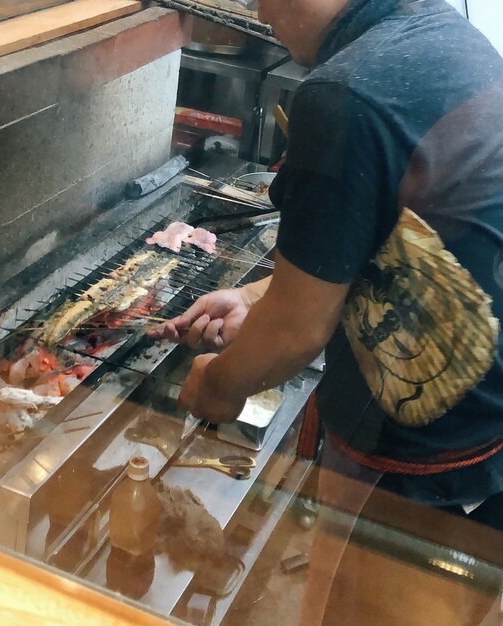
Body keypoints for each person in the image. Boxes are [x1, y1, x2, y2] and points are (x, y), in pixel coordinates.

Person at [150, 0, 503, 623]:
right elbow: (393, 234)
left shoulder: (343, 93)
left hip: (417, 452)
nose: (260, 10)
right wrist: (258, 296)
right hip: (486, 425)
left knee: (361, 609)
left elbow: (297, 333)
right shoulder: (444, 31)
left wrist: (219, 384)